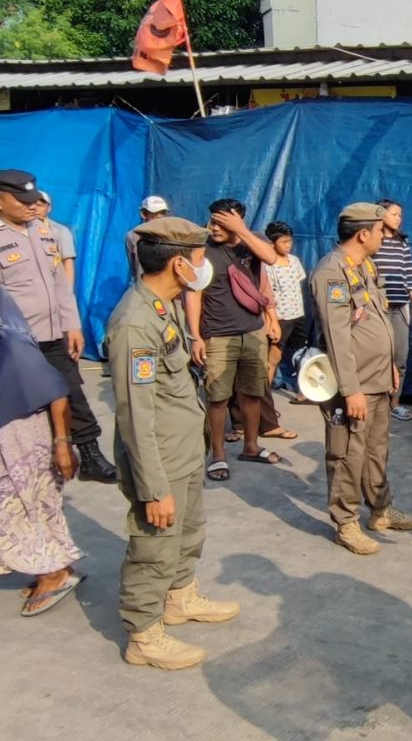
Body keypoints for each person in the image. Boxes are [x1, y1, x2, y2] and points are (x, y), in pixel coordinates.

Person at [108, 217, 241, 669]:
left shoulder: (163, 307)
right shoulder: (134, 322)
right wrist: (152, 487)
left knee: (188, 532)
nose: (206, 268)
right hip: (159, 458)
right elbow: (134, 412)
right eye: (200, 258)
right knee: (154, 545)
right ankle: (143, 634)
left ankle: (179, 597)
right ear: (180, 265)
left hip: (183, 447)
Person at [309, 202, 412, 555]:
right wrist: (351, 390)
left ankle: (381, 510)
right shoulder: (331, 274)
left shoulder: (363, 266)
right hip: (354, 385)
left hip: (377, 378)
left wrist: (390, 363)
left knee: (376, 450)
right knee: (347, 454)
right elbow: (337, 337)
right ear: (363, 234)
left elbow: (375, 319)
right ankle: (346, 522)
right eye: (378, 231)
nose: (382, 236)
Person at [0, 168, 116, 484]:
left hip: (52, 335)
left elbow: (59, 287)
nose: (29, 206)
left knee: (70, 390)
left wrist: (72, 326)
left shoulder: (44, 232)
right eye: (21, 200)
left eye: (32, 200)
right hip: (15, 343)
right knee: (24, 406)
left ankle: (90, 454)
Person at [0, 286, 85, 618]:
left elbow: (53, 387)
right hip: (13, 428)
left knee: (20, 506)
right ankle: (53, 568)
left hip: (15, 431)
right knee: (29, 505)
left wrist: (63, 444)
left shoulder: (11, 342)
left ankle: (51, 574)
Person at [185, 198, 281, 481]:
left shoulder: (251, 244)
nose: (214, 227)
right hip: (218, 335)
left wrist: (241, 230)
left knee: (252, 393)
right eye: (212, 220)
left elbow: (272, 258)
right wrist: (196, 336)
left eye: (222, 222)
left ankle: (250, 446)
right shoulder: (202, 250)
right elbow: (193, 294)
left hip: (253, 331)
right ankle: (217, 455)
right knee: (218, 397)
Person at [375, 199, 412, 421]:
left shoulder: (402, 244)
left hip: (399, 308)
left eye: (400, 215)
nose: (398, 218)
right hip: (376, 310)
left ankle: (394, 404)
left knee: (400, 358)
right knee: (376, 358)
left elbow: (408, 275)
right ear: (380, 214)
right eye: (394, 214)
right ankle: (374, 405)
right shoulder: (373, 242)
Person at [264, 221, 308, 392]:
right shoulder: (268, 265)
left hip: (298, 315)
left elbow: (299, 284)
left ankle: (304, 392)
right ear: (272, 243)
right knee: (274, 356)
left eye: (290, 241)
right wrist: (271, 320)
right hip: (280, 318)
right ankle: (264, 393)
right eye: (284, 242)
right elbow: (266, 296)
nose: (288, 246)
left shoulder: (294, 261)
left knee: (301, 354)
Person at [33, 191, 77, 290]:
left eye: (40, 205)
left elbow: (67, 262)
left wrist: (68, 292)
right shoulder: (15, 229)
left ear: (49, 208)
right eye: (31, 204)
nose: (35, 208)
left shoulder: (60, 231)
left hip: (51, 287)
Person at [126, 195, 170, 281]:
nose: (160, 215)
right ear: (143, 214)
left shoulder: (170, 235)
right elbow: (133, 265)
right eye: (155, 212)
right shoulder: (132, 236)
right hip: (143, 287)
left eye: (163, 212)